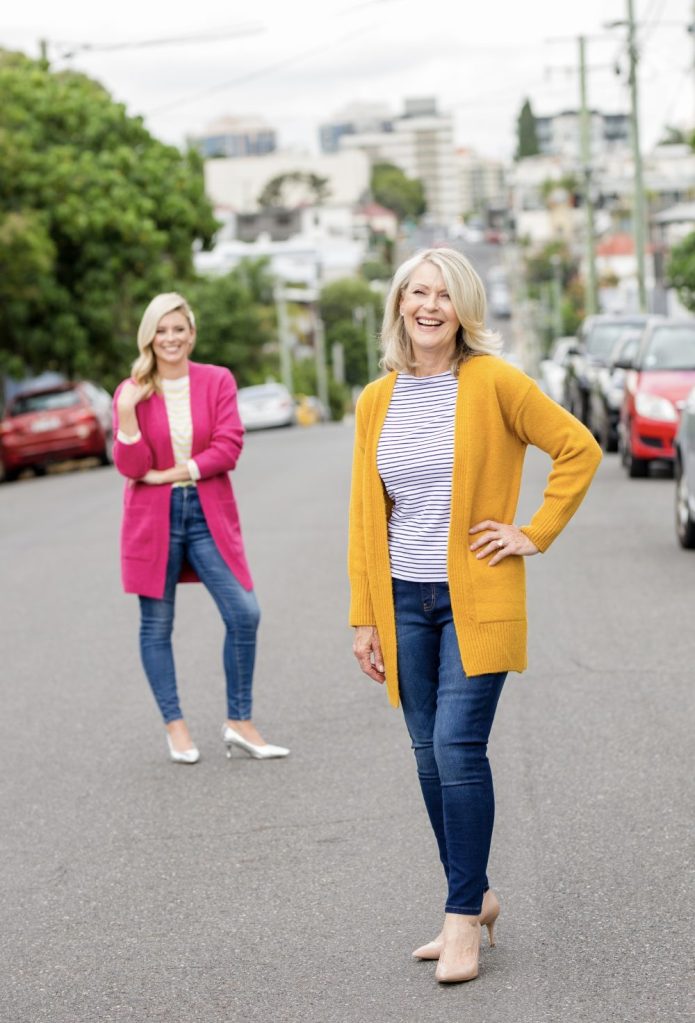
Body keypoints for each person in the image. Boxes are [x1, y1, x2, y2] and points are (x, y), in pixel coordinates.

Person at [348, 248, 601, 984]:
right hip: (403, 599)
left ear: (463, 309)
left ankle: (460, 917)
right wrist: (364, 617)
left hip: (474, 597)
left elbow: (577, 448)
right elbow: (365, 517)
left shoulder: (492, 381)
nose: (430, 306)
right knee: (427, 754)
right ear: (399, 303)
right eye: (417, 292)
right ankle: (478, 893)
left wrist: (533, 532)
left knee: (457, 747)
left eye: (445, 295)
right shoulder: (376, 400)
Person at [113, 292, 289, 765]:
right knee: (157, 624)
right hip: (152, 520)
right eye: (161, 330)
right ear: (149, 337)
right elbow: (132, 468)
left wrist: (175, 472)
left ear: (191, 334)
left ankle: (239, 722)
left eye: (179, 329)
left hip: (206, 513)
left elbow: (229, 447)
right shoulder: (131, 390)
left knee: (244, 612)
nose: (170, 338)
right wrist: (127, 413)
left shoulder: (217, 380)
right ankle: (175, 726)